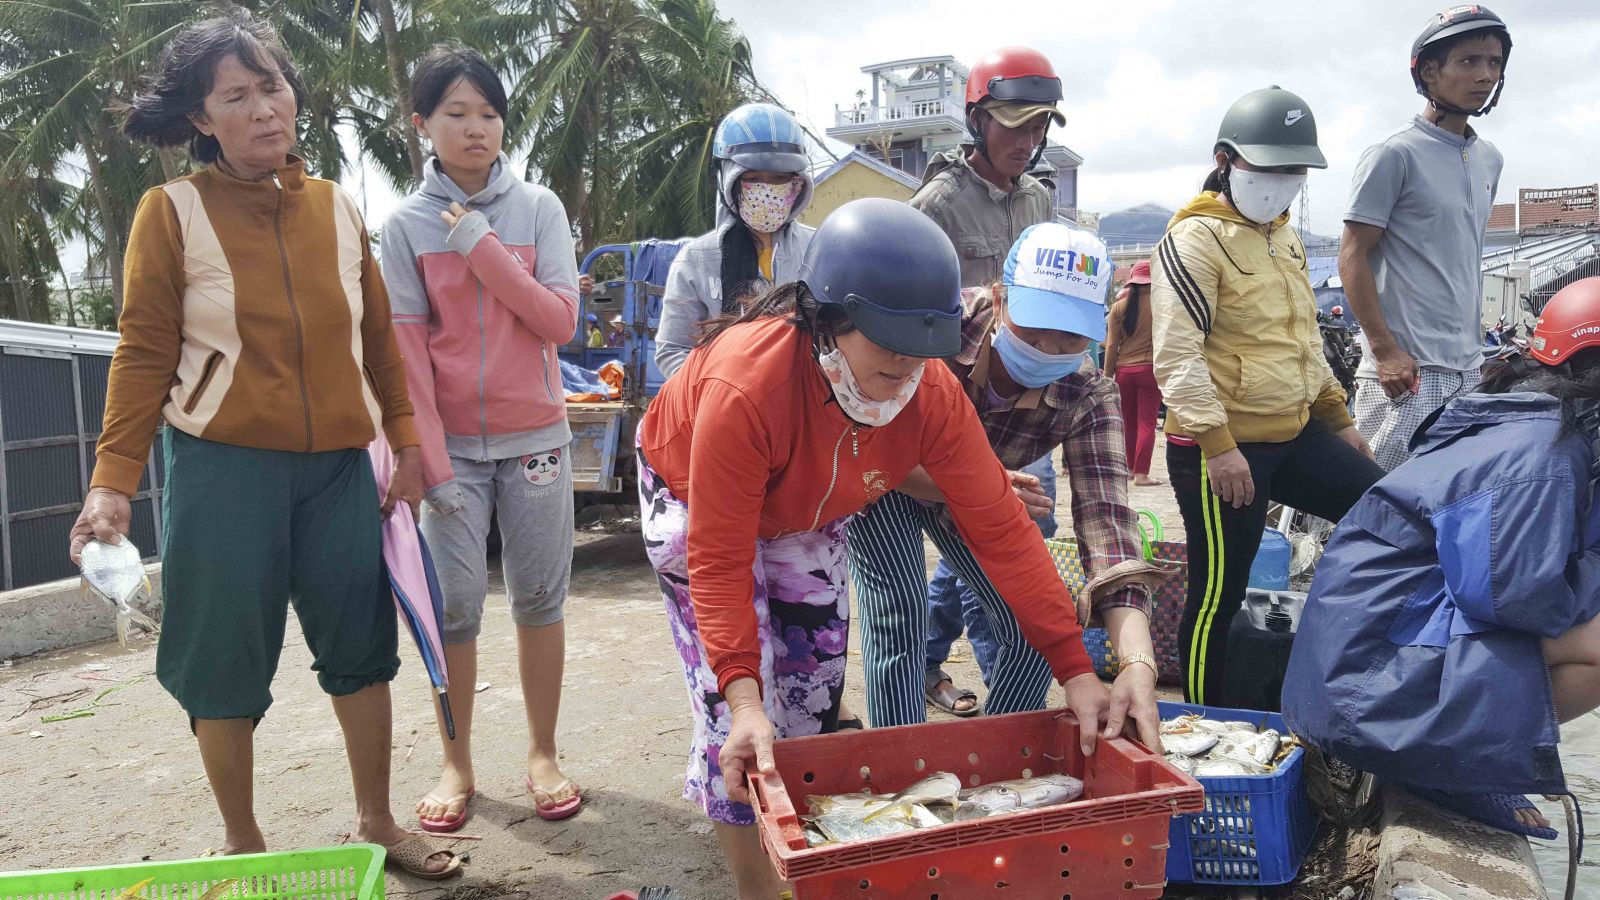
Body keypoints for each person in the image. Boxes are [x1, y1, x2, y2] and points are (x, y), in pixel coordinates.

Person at [638, 198, 1131, 899]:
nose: (905, 372)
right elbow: (718, 558)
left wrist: (1078, 670)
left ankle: (796, 873)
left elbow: (1003, 531)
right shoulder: (746, 385)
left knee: (808, 709)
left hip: (811, 506)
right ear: (826, 323)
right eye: (888, 349)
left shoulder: (928, 391)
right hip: (696, 496)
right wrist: (745, 699)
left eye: (921, 353)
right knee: (738, 724)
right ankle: (756, 890)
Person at [68, 9, 459, 878]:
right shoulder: (168, 214)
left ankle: (377, 821)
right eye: (236, 96)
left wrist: (405, 445)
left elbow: (377, 345)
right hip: (222, 469)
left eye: (272, 86)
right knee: (223, 656)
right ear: (202, 119)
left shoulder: (337, 207)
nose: (263, 109)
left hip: (338, 473)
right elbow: (141, 353)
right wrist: (111, 483)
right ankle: (244, 845)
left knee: (360, 646)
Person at [1284, 276, 1600, 841]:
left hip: (1351, 668)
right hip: (1367, 689)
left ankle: (1460, 754)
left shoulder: (1515, 418)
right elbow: (1514, 598)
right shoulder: (1543, 454)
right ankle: (1455, 767)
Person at [849, 223, 1169, 731]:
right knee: (899, 614)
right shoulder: (931, 335)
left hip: (982, 502)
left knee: (1036, 624)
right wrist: (978, 486)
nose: (1046, 347)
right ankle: (900, 762)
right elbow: (859, 439)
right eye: (1034, 326)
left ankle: (1005, 757)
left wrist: (1136, 660)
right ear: (999, 300)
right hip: (882, 479)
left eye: (1070, 336)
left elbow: (1107, 526)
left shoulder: (1088, 396)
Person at [381, 44, 582, 832]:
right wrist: (429, 469)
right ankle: (456, 763)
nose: (475, 130)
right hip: (452, 452)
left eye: (489, 114)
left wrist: (480, 248)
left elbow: (559, 321)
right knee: (454, 608)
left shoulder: (539, 210)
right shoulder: (402, 226)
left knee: (539, 598)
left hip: (537, 437)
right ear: (421, 123)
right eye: (456, 114)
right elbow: (406, 362)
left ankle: (543, 753)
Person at [1151, 86, 1385, 707]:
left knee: (1383, 508)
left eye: (1294, 170)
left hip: (1296, 429)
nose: (1283, 182)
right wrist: (1218, 446)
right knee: (1217, 592)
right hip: (1225, 444)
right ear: (1226, 159)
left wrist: (1337, 419)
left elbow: (1305, 339)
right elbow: (1176, 355)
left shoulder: (1284, 237)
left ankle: (1339, 671)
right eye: (1269, 167)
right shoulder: (1195, 238)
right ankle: (1201, 722)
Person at [906, 46, 1064, 714]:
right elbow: (911, 322)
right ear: (977, 121)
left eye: (1040, 127)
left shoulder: (1041, 199)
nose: (1027, 142)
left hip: (1028, 406)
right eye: (1014, 125)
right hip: (957, 412)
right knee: (991, 553)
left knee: (1020, 539)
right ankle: (1010, 691)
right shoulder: (936, 206)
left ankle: (934, 663)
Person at [1342, 6, 1511, 471]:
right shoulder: (1393, 155)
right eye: (1469, 62)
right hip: (1407, 372)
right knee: (1375, 504)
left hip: (1468, 368)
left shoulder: (1489, 159)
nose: (1485, 75)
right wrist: (1384, 350)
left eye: (1494, 63)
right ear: (1429, 72)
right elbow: (1352, 256)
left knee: (1453, 503)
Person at [654, 102, 814, 378]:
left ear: (797, 182)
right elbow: (672, 350)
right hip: (724, 410)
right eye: (754, 178)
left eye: (779, 179)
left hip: (803, 411)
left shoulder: (818, 249)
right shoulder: (697, 259)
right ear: (728, 180)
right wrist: (718, 395)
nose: (768, 190)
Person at [1103, 260, 1162, 486]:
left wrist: (1108, 375)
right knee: (1147, 422)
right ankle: (1141, 474)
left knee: (1127, 422)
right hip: (1150, 371)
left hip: (1124, 372)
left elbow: (1110, 345)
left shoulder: (1119, 307)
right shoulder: (1162, 306)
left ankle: (1128, 469)